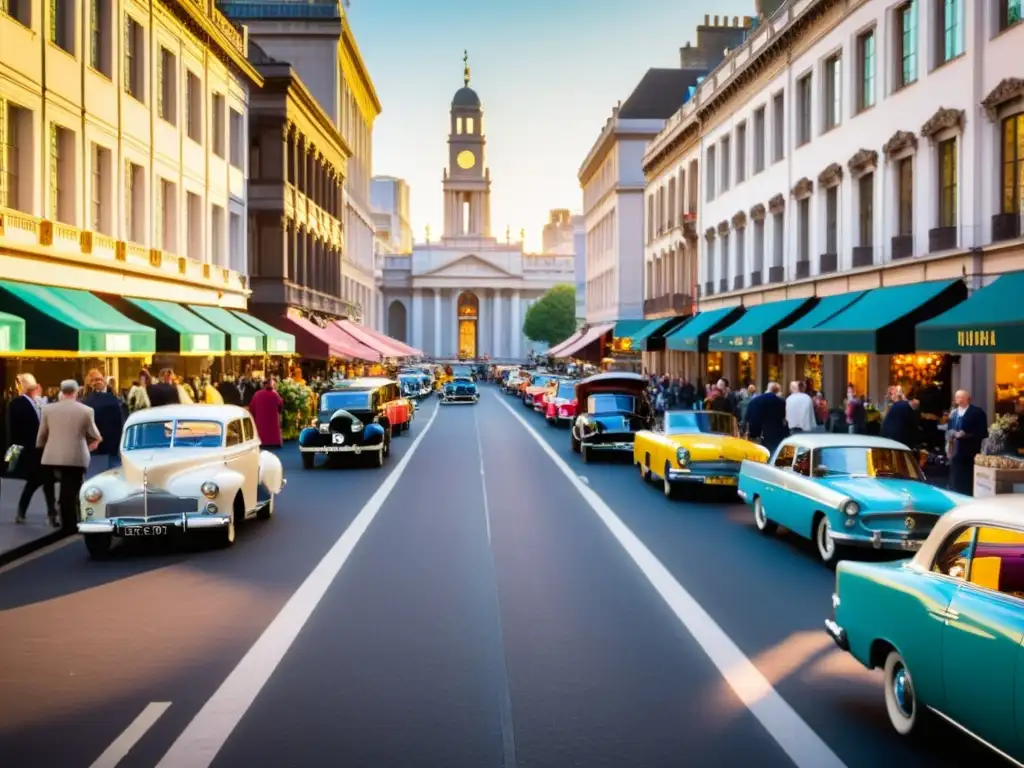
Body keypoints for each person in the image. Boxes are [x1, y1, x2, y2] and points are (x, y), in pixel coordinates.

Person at [37, 380, 102, 530]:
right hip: (75, 456)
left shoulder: (47, 409)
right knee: (72, 488)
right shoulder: (86, 410)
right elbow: (96, 436)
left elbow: (41, 437)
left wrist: (44, 448)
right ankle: (71, 520)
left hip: (51, 456)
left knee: (49, 485)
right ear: (76, 392)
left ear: (61, 391)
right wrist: (89, 446)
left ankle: (53, 513)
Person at [5, 373, 58, 526]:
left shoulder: (40, 403)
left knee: (44, 482)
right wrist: (12, 455)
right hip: (29, 451)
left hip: (43, 450)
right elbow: (12, 432)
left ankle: (50, 514)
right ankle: (35, 512)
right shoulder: (15, 404)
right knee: (36, 482)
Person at [947, 389, 988, 496]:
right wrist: (951, 436)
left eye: (961, 397)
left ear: (967, 399)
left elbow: (982, 432)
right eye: (957, 397)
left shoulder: (977, 412)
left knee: (968, 475)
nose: (959, 400)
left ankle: (968, 493)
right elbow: (949, 429)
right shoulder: (954, 413)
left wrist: (967, 435)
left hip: (970, 451)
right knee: (955, 474)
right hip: (955, 450)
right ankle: (955, 492)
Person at [83, 371, 125, 469]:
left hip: (110, 443)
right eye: (94, 380)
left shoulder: (111, 396)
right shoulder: (91, 399)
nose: (97, 382)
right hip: (99, 446)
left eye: (99, 379)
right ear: (89, 383)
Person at [746, 383, 788, 454]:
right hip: (774, 434)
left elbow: (748, 417)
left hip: (756, 434)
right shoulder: (781, 402)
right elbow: (784, 418)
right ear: (777, 391)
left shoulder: (755, 401)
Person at [249, 378, 284, 449]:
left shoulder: (257, 394)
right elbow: (281, 405)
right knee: (273, 429)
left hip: (261, 418)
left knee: (262, 429)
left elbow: (252, 407)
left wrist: (254, 415)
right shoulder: (275, 394)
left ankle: (262, 442)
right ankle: (274, 442)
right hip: (272, 418)